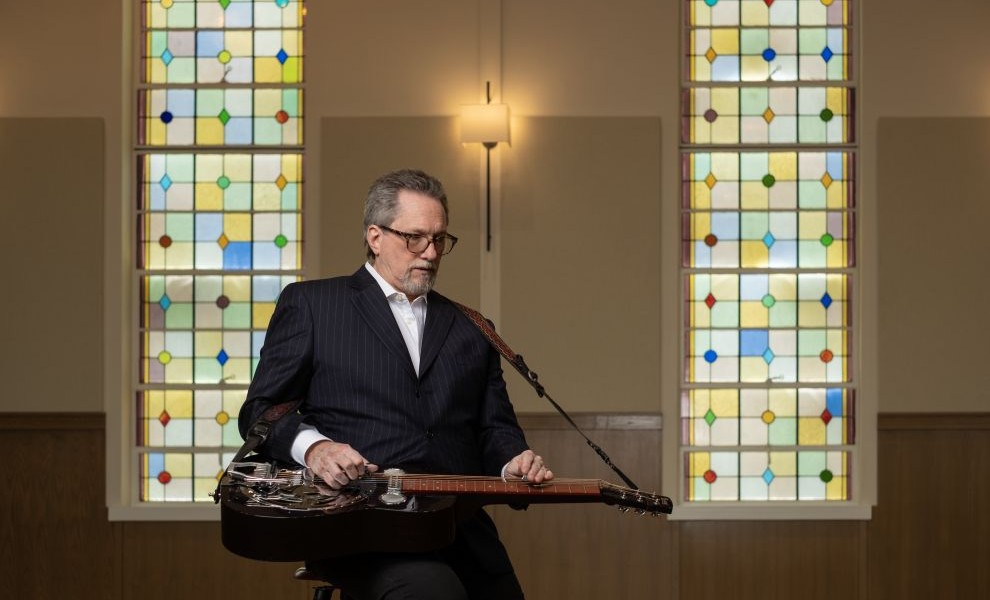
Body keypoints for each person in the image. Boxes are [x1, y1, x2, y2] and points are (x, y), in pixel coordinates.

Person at [239, 168, 552, 600]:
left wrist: (511, 463)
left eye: (439, 239)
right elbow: (260, 412)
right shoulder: (312, 305)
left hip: (458, 526)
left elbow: (494, 428)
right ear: (375, 236)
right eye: (415, 238)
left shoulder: (473, 328)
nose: (431, 252)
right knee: (434, 594)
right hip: (359, 524)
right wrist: (315, 449)